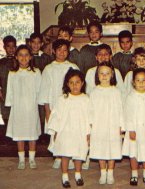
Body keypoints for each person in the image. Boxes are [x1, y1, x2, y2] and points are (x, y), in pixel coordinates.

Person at [39, 39, 79, 169]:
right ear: (54, 51)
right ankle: (57, 156)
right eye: (59, 50)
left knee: (70, 131)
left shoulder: (73, 67)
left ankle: (70, 156)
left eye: (65, 50)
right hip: (54, 105)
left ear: (68, 52)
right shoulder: (48, 69)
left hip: (71, 105)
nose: (62, 52)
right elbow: (45, 90)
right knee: (56, 131)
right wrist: (47, 110)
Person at [47, 69, 90, 188]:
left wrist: (89, 133)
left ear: (82, 83)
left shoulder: (86, 99)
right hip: (65, 131)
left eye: (77, 82)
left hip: (80, 131)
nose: (74, 85)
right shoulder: (63, 99)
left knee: (79, 154)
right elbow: (56, 116)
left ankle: (78, 174)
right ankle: (65, 176)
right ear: (67, 84)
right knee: (65, 153)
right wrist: (55, 131)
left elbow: (90, 117)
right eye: (71, 82)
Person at [5, 45, 42, 170]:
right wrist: (10, 105)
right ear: (16, 57)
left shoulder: (36, 72)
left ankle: (31, 159)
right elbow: (9, 90)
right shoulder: (12, 73)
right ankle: (21, 159)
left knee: (32, 133)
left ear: (30, 57)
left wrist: (37, 103)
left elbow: (39, 90)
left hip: (31, 107)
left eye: (26, 55)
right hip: (18, 108)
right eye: (20, 55)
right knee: (19, 133)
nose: (24, 57)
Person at [122, 68, 145, 186]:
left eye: (144, 80)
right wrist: (131, 129)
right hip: (134, 130)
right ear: (133, 82)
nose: (141, 83)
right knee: (134, 152)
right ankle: (134, 174)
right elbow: (127, 114)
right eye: (138, 80)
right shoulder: (130, 97)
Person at [89, 62, 124, 185]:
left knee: (112, 149)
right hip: (99, 125)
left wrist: (121, 125)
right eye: (101, 73)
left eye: (107, 73)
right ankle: (103, 172)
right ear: (97, 75)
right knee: (100, 148)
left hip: (113, 124)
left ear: (112, 75)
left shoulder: (116, 92)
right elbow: (91, 111)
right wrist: (91, 125)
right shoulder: (94, 92)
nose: (104, 76)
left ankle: (110, 172)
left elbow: (120, 110)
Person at [28, 32, 52, 142]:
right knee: (32, 111)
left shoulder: (46, 58)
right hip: (31, 89)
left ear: (42, 44)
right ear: (29, 43)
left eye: (38, 43)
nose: (36, 45)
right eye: (33, 43)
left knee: (42, 111)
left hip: (43, 88)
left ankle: (43, 134)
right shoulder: (27, 57)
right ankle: (33, 132)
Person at [0, 35, 17, 131]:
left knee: (17, 112)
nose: (11, 49)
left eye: (13, 46)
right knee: (5, 112)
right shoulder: (0, 62)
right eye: (8, 46)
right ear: (4, 47)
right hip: (4, 90)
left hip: (17, 92)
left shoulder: (19, 61)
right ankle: (7, 133)